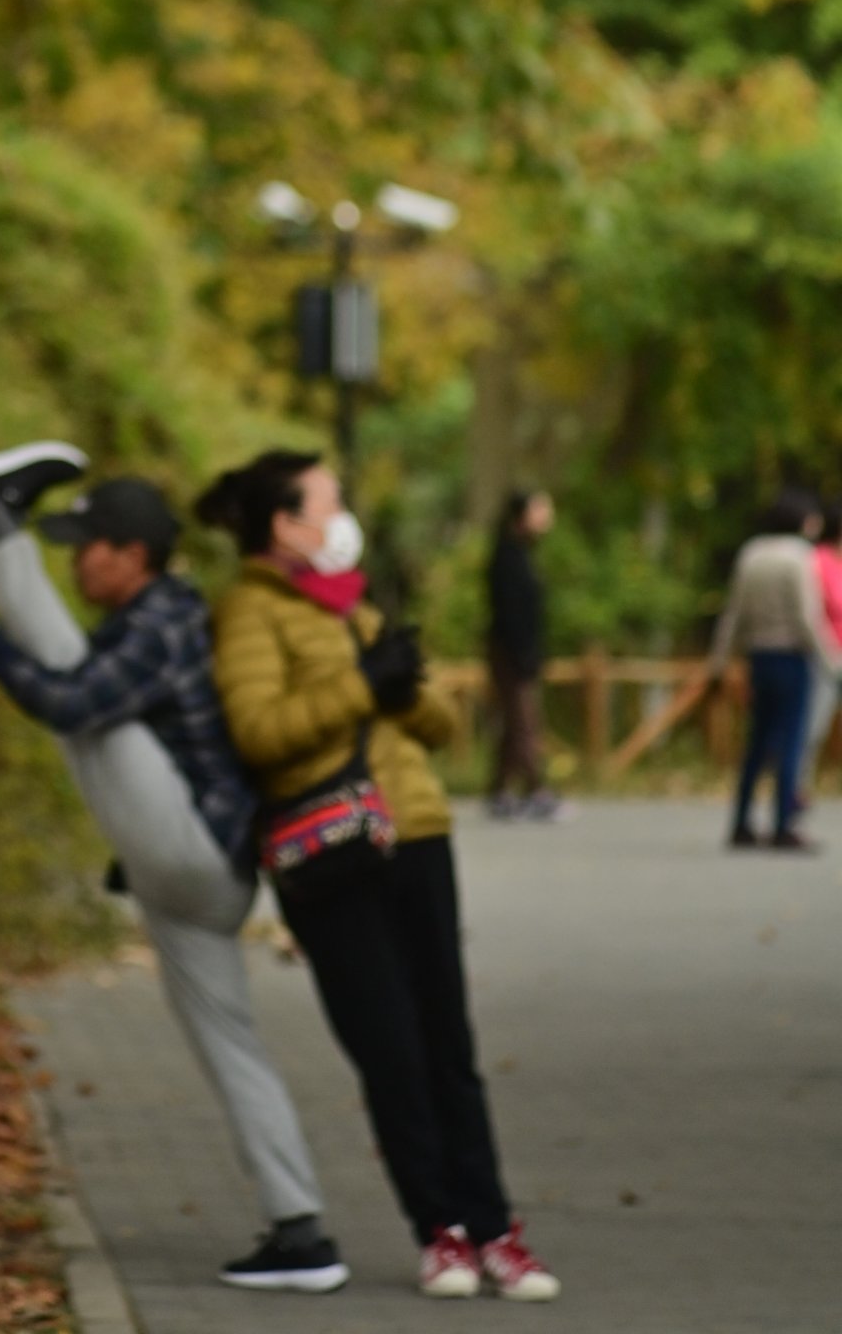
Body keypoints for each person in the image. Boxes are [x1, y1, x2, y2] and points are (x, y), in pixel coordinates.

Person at [0, 442, 348, 1295]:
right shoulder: (151, 617)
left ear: (132, 555)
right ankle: (303, 1232)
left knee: (83, 709)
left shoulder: (163, 623)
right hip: (198, 878)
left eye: (85, 547)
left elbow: (63, 702)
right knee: (231, 1044)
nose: (78, 562)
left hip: (193, 851)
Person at [204, 447, 559, 1303]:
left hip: (420, 834)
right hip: (333, 852)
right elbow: (259, 732)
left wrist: (399, 684)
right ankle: (438, 1230)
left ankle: (496, 1230)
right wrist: (361, 689)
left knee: (449, 1043)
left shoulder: (353, 605)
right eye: (328, 503)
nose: (342, 516)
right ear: (285, 524)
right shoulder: (251, 611)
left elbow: (439, 725)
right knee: (390, 1048)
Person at [710, 490, 842, 852]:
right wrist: (830, 661)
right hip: (792, 658)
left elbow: (734, 613)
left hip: (759, 657)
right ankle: (783, 824)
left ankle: (741, 822)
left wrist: (719, 661)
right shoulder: (799, 558)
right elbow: (806, 617)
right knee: (792, 741)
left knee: (757, 741)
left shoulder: (752, 553)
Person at [484, 489, 565, 821]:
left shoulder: (521, 553)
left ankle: (500, 790)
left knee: (515, 723)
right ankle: (536, 789)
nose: (547, 516)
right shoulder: (507, 556)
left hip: (519, 651)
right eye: (540, 509)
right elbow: (510, 613)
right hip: (511, 653)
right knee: (524, 723)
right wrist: (523, 655)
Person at [802, 501, 842, 796]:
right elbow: (811, 614)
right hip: (826, 658)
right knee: (813, 728)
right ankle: (796, 789)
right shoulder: (817, 560)